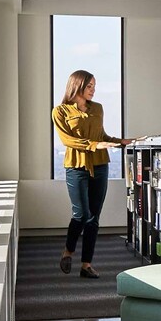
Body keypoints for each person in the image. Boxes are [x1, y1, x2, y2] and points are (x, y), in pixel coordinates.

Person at [52, 70, 129, 279]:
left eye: (94, 86)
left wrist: (121, 141)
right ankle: (68, 251)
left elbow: (101, 135)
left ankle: (86, 264)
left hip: (100, 164)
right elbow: (67, 141)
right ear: (77, 85)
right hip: (76, 167)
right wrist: (95, 145)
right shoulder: (60, 111)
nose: (93, 90)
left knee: (94, 217)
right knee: (81, 214)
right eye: (89, 86)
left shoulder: (98, 108)